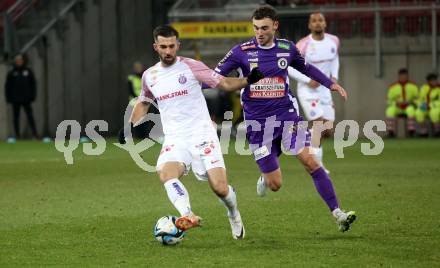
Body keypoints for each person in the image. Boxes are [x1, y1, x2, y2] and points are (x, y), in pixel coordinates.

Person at [214, 5, 356, 232]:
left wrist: (332, 84)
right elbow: (216, 77)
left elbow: (307, 68)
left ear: (275, 26)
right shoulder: (241, 51)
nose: (259, 33)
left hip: (286, 117)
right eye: (256, 28)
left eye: (264, 28)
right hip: (258, 125)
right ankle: (265, 176)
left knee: (311, 161)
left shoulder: (286, 48)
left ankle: (338, 213)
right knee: (275, 184)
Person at [118, 25, 264, 239]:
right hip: (175, 138)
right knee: (166, 173)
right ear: (155, 47)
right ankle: (188, 214)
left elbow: (223, 83)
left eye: (171, 46)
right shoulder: (150, 75)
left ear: (178, 45)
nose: (168, 51)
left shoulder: (192, 67)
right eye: (163, 46)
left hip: (202, 134)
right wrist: (130, 126)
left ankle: (233, 213)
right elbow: (144, 101)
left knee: (220, 188)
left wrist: (247, 81)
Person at [288, 12, 339, 174]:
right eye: (314, 21)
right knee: (318, 124)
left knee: (327, 129)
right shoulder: (303, 44)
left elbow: (335, 58)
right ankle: (318, 166)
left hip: (325, 91)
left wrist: (334, 76)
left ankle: (300, 138)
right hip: (308, 91)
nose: (317, 23)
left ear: (325, 23)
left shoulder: (334, 41)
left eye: (320, 20)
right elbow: (289, 67)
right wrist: (307, 80)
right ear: (309, 25)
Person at [4, 54, 38, 139]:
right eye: (17, 60)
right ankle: (17, 135)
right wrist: (8, 98)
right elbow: (8, 86)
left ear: (23, 61)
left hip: (26, 98)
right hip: (15, 99)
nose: (18, 62)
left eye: (20, 60)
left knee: (30, 116)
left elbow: (33, 84)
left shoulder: (28, 71)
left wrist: (33, 96)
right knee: (16, 117)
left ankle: (35, 134)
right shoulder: (12, 72)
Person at [385, 68, 418, 137]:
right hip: (398, 107)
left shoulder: (413, 86)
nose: (403, 77)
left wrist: (411, 102)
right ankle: (390, 132)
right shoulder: (393, 87)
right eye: (401, 76)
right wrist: (396, 103)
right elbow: (388, 100)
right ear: (399, 76)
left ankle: (411, 132)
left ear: (407, 76)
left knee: (411, 110)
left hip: (408, 106)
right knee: (390, 110)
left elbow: (418, 98)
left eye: (405, 76)